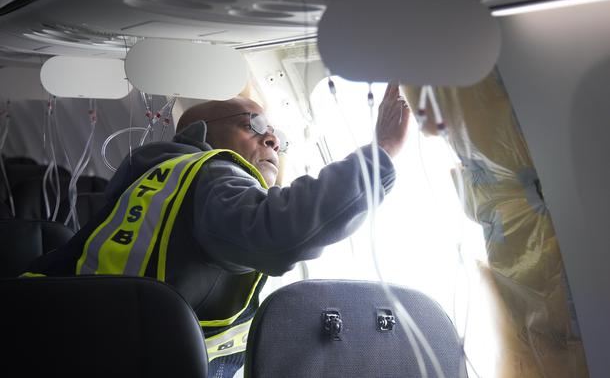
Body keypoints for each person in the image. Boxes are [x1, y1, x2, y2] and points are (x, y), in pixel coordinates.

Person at [24, 83, 409, 377]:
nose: (272, 139)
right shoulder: (210, 171)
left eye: (278, 136)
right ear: (200, 134)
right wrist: (382, 154)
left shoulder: (162, 179)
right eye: (254, 125)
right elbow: (280, 231)